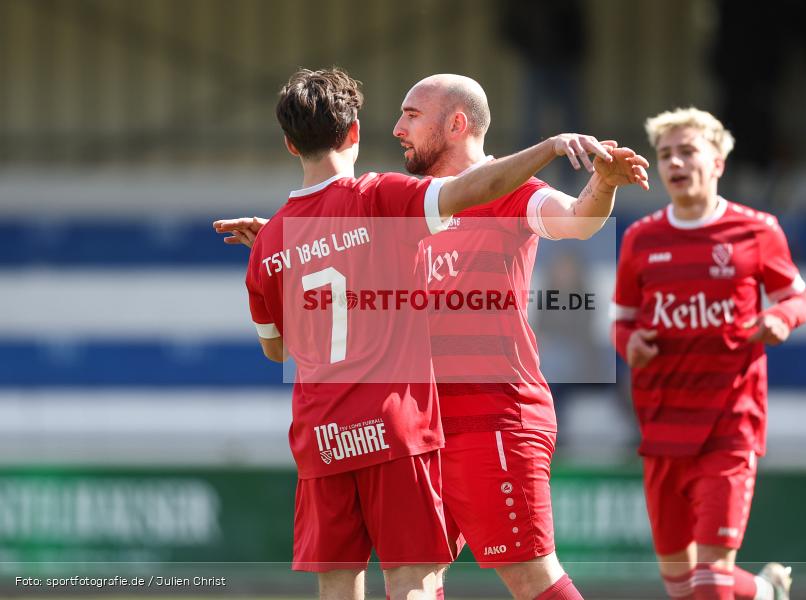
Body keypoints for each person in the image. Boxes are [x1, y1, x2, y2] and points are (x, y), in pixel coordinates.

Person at [216, 73, 650, 600]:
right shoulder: (398, 205)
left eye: (410, 115)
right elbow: (343, 253)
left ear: (456, 123)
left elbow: (578, 220)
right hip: (416, 428)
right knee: (420, 581)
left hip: (491, 417)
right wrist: (292, 238)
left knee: (528, 574)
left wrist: (600, 183)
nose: (397, 128)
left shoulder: (507, 188)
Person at [611, 107, 806, 600]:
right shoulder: (641, 238)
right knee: (682, 584)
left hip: (729, 424)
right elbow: (622, 321)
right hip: (661, 427)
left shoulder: (757, 231)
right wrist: (629, 344)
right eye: (665, 155)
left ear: (718, 162)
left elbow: (798, 297)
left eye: (687, 151)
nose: (675, 163)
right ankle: (766, 593)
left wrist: (780, 319)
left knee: (710, 582)